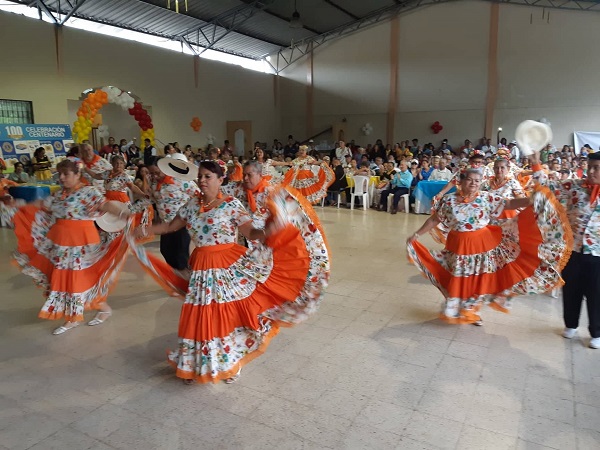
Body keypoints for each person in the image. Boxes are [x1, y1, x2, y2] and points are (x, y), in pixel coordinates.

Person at [132, 161, 329, 384]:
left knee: (225, 314)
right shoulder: (191, 205)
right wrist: (146, 229)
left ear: (220, 180)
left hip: (226, 264)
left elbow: (252, 233)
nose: (203, 181)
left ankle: (229, 361)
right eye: (201, 177)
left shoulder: (231, 205)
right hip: (202, 267)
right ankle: (197, 363)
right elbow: (170, 227)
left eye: (208, 177)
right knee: (201, 315)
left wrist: (270, 230)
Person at [406, 168, 572, 325]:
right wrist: (417, 234)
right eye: (470, 180)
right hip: (457, 246)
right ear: (461, 182)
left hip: (481, 246)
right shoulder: (448, 200)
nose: (473, 183)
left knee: (476, 280)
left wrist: (531, 199)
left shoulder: (486, 198)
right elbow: (435, 219)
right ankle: (458, 307)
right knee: (457, 277)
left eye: (477, 181)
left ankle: (471, 311)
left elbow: (508, 204)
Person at [12, 159, 131, 334]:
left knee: (78, 280)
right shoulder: (59, 194)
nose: (61, 177)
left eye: (66, 174)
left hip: (80, 244)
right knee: (66, 280)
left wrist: (125, 213)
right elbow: (41, 205)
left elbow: (105, 205)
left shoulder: (88, 192)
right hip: (60, 244)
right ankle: (95, 310)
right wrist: (18, 204)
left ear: (77, 175)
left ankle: (75, 317)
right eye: (59, 174)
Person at [531, 152, 600, 348]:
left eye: (597, 168)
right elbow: (546, 189)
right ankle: (571, 324)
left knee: (597, 293)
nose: (592, 171)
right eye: (590, 166)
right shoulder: (574, 186)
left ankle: (597, 331)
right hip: (573, 250)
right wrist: (536, 164)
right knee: (571, 289)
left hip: (598, 254)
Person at [147, 156, 199, 271]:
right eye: (151, 173)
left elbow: (199, 196)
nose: (155, 176)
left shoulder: (181, 180)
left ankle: (186, 283)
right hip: (165, 226)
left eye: (157, 172)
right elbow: (151, 199)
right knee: (166, 252)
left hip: (181, 225)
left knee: (182, 255)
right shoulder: (154, 183)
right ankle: (178, 279)